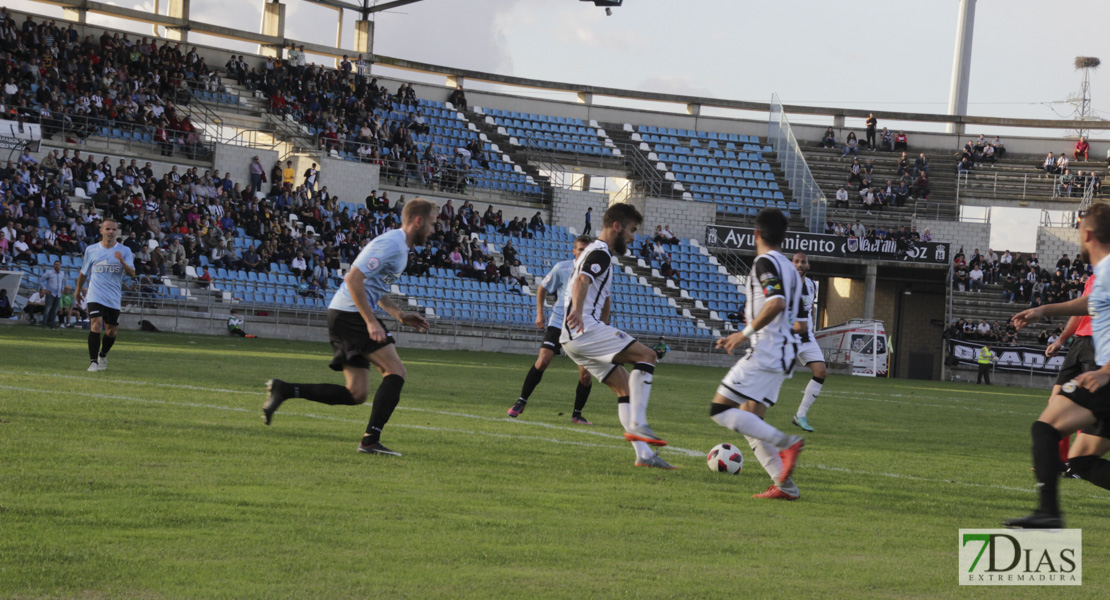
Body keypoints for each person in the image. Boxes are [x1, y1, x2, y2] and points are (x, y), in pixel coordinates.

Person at [262, 199, 437, 457]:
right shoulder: (391, 243)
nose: (434, 230)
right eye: (433, 223)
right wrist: (370, 321)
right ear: (418, 221)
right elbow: (353, 279)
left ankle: (285, 389)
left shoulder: (400, 248)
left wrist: (398, 314)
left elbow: (374, 288)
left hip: (344, 313)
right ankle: (370, 441)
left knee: (356, 393)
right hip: (349, 314)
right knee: (396, 371)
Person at [1005, 202, 1110, 528]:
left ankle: (1048, 513)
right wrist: (1044, 310)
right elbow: (1091, 304)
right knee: (1081, 460)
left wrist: (1107, 371)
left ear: (1088, 233)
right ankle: (1047, 512)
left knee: (1045, 427)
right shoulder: (1104, 272)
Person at [560, 203, 672, 469]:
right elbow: (581, 281)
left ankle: (644, 456)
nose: (634, 237)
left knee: (624, 388)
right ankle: (640, 424)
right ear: (617, 227)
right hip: (584, 329)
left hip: (572, 338)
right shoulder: (600, 253)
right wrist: (577, 311)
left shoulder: (595, 252)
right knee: (648, 355)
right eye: (632, 230)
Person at [710, 208, 807, 500]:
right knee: (750, 418)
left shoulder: (764, 262)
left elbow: (775, 302)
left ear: (756, 234)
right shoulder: (793, 270)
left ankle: (787, 442)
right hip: (782, 353)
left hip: (766, 350)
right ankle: (785, 486)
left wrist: (744, 334)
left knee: (720, 410)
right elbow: (799, 319)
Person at [507, 236, 594, 424]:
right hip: (558, 323)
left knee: (585, 374)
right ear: (574, 251)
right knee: (543, 360)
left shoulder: (596, 272)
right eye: (580, 249)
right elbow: (542, 288)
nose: (583, 253)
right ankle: (521, 402)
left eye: (587, 250)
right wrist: (540, 313)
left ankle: (577, 414)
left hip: (581, 326)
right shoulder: (562, 268)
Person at [75, 219, 136, 372]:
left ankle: (103, 355)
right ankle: (93, 362)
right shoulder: (91, 250)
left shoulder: (125, 251)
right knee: (95, 324)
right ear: (101, 231)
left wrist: (121, 261)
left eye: (114, 229)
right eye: (107, 229)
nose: (110, 232)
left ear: (117, 232)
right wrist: (77, 290)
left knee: (111, 331)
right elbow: (83, 272)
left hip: (113, 297)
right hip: (95, 294)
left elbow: (132, 273)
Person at [790, 253, 828, 433]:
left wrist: (811, 326)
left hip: (806, 336)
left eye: (802, 262)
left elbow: (810, 307)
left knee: (821, 371)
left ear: (808, 265)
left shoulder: (812, 285)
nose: (799, 264)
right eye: (796, 261)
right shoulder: (785, 283)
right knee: (771, 373)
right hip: (788, 334)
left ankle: (801, 415)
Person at [40, 260, 66, 328]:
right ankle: (44, 323)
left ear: (60, 266)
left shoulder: (62, 273)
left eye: (58, 264)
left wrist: (62, 289)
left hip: (58, 294)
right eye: (56, 264)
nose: (57, 266)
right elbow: (41, 280)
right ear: (53, 265)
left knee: (55, 310)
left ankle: (52, 324)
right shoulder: (49, 273)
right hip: (50, 293)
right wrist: (44, 289)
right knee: (47, 309)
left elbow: (63, 281)